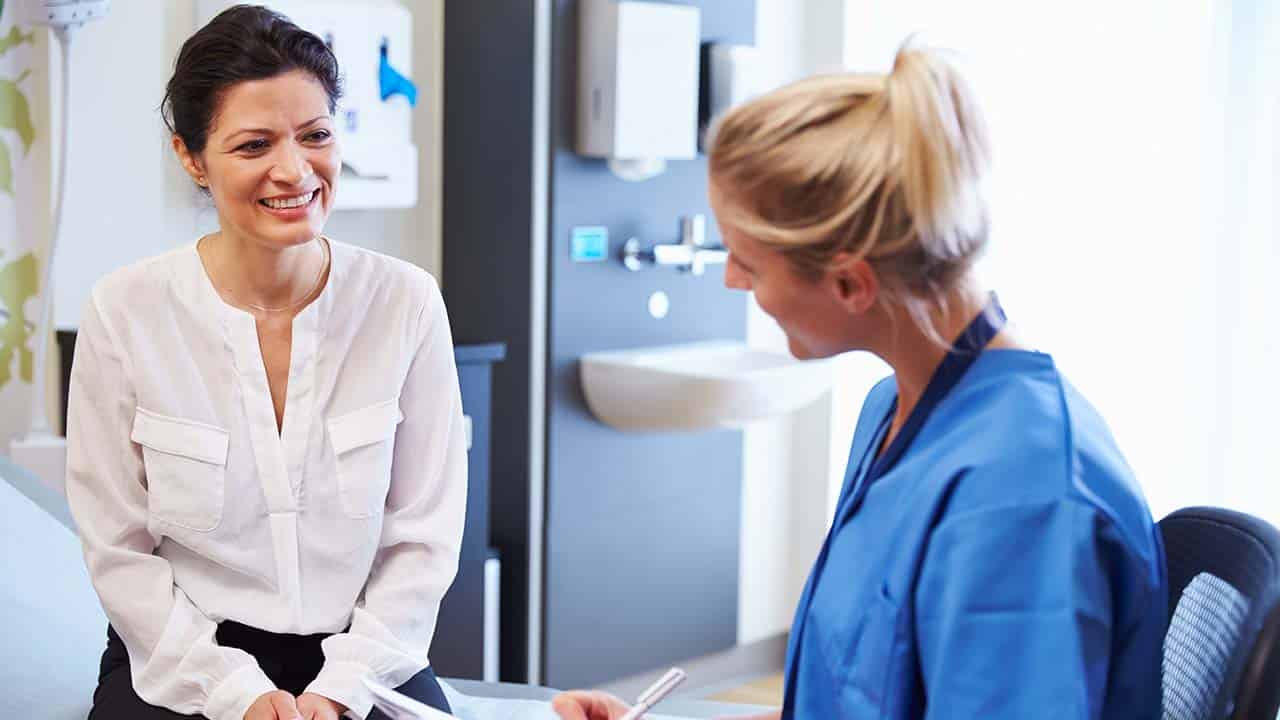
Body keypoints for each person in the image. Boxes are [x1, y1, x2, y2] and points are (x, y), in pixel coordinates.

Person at [552, 41, 1167, 720]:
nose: (731, 280)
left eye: (749, 265)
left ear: (850, 282)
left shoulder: (1025, 497)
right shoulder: (896, 412)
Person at [64, 6, 466, 720]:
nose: (294, 169)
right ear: (191, 157)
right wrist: (235, 693)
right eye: (253, 145)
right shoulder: (124, 312)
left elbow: (423, 539)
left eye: (314, 135)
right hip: (183, 654)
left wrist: (343, 687)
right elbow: (118, 547)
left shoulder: (406, 304)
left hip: (365, 652)